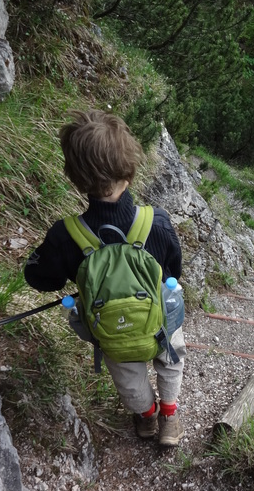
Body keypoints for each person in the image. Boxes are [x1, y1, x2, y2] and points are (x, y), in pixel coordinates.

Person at [24, 109, 186, 448]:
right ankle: (170, 416)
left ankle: (147, 415)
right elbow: (174, 268)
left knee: (128, 376)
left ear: (76, 178)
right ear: (129, 169)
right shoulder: (157, 222)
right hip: (159, 314)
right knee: (171, 356)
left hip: (112, 326)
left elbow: (41, 278)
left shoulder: (66, 235)